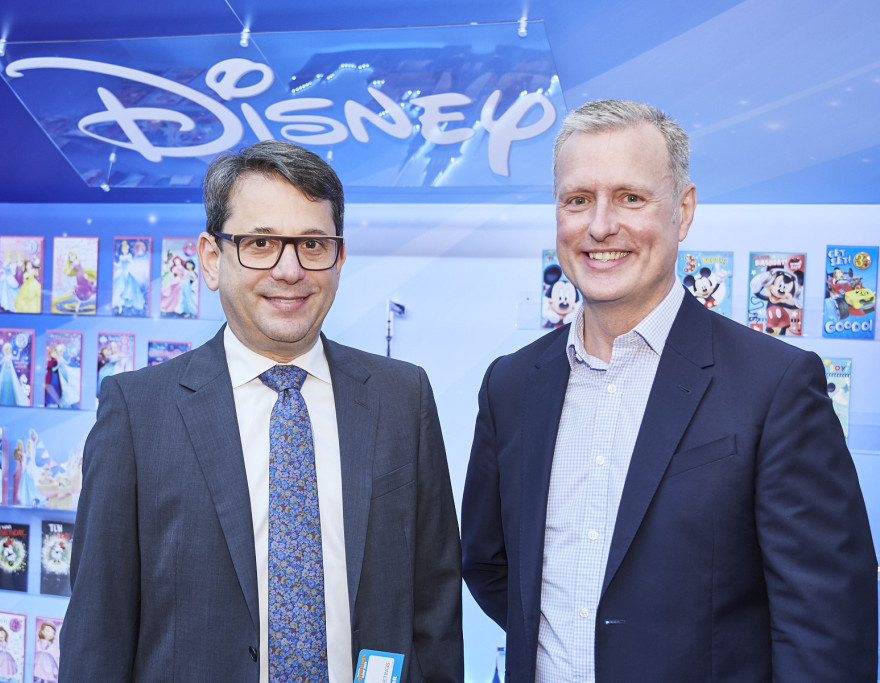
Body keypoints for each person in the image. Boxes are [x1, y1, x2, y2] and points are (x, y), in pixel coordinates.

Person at [460, 99, 877, 682]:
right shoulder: (510, 386)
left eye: (631, 198)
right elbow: (489, 564)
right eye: (577, 200)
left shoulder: (775, 386)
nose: (600, 226)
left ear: (683, 212)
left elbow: (829, 629)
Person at [60, 139, 463, 682]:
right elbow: (97, 631)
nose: (290, 269)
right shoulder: (138, 412)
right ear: (210, 257)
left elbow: (435, 608)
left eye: (313, 244)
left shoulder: (402, 397)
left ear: (340, 258)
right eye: (261, 242)